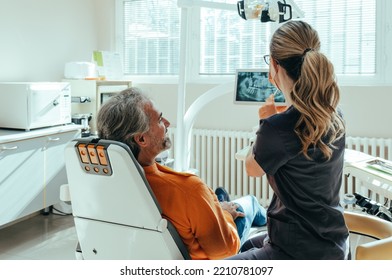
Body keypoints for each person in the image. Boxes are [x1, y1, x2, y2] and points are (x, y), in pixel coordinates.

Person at [96, 87, 267, 260]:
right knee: (249, 204)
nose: (168, 123)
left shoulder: (106, 184)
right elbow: (224, 251)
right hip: (205, 257)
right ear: (141, 139)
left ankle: (218, 202)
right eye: (160, 119)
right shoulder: (189, 188)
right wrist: (227, 215)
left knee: (219, 199)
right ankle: (258, 216)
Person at [227, 20, 349, 260]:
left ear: (274, 65)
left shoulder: (276, 127)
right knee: (248, 244)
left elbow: (252, 168)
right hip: (333, 244)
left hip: (295, 251)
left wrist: (265, 122)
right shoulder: (334, 116)